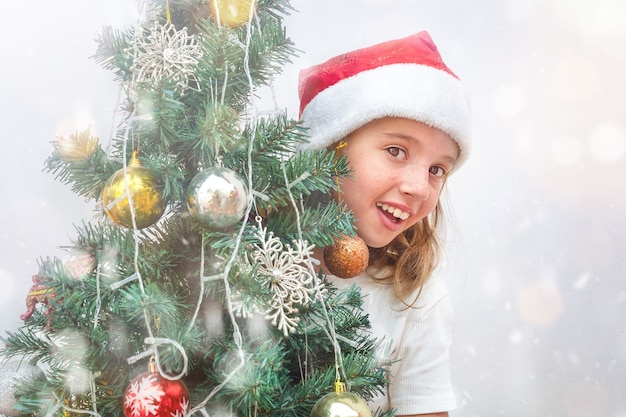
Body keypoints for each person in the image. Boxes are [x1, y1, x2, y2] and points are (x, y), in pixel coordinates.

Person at [298, 31, 471, 416]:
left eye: (437, 169)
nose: (417, 187)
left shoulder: (417, 301)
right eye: (396, 151)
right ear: (332, 146)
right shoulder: (243, 263)